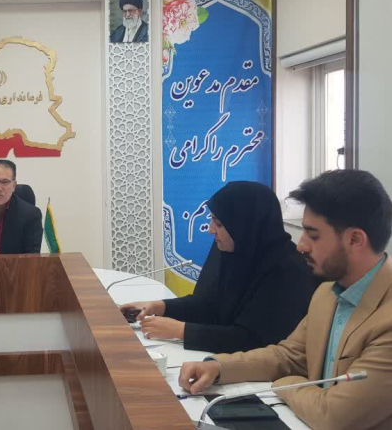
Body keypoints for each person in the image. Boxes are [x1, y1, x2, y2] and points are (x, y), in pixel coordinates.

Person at [179, 170, 392, 430]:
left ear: (355, 239)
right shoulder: (328, 293)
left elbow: (335, 416)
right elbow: (288, 356)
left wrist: (285, 384)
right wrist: (218, 367)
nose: (301, 245)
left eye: (313, 235)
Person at [122, 181, 318, 353]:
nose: (210, 230)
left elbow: (256, 340)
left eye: (219, 224)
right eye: (212, 220)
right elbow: (208, 305)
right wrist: (158, 306)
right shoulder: (233, 250)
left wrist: (181, 331)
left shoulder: (287, 270)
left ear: (244, 226)